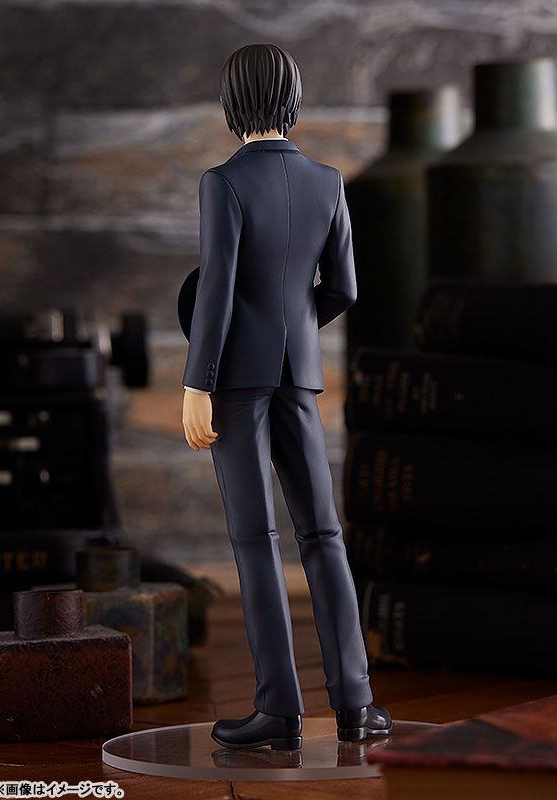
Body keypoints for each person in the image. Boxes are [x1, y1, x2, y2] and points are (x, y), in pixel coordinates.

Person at [180, 42, 392, 750]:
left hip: (236, 383)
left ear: (232, 100)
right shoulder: (327, 181)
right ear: (292, 97)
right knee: (323, 536)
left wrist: (197, 381)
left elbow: (216, 288)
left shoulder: (223, 182)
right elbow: (344, 288)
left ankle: (279, 711)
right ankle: (357, 705)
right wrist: (293, 331)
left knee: (256, 541)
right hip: (299, 376)